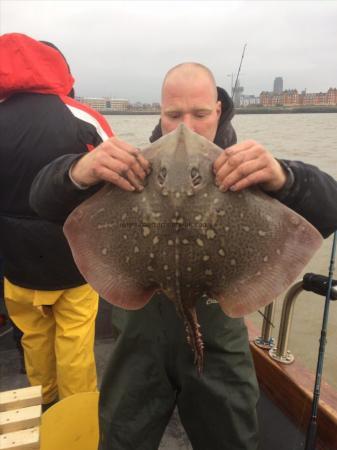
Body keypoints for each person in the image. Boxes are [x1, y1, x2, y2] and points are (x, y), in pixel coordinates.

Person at [30, 63, 337, 449]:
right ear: (160, 113)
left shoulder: (244, 170)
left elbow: (330, 210)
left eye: (200, 114)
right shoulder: (130, 169)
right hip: (140, 336)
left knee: (231, 438)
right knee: (122, 437)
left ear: (219, 111)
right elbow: (41, 200)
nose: (184, 128)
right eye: (173, 115)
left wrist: (285, 176)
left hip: (220, 332)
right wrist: (77, 170)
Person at [0, 33, 116, 409]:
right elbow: (122, 180)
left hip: (16, 261)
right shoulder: (83, 117)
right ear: (58, 69)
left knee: (32, 337)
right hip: (73, 260)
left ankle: (43, 403)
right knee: (75, 340)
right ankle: (77, 418)